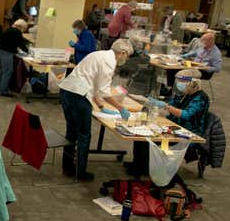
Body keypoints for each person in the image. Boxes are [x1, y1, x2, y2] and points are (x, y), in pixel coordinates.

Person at [59, 39, 134, 181]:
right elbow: (104, 92)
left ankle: (67, 167)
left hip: (66, 91)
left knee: (71, 131)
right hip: (78, 96)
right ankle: (80, 173)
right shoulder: (110, 62)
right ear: (123, 53)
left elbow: (92, 82)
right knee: (84, 135)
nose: (126, 59)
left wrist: (101, 107)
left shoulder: (98, 54)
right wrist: (120, 108)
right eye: (127, 56)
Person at [130, 69, 210, 177]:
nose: (179, 84)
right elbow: (169, 104)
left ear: (193, 83)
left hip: (187, 132)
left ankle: (145, 169)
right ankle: (138, 165)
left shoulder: (201, 98)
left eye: (183, 82)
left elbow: (185, 115)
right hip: (174, 127)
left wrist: (166, 107)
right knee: (141, 136)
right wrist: (148, 101)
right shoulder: (183, 95)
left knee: (149, 140)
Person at [0, 19, 31, 97]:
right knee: (8, 71)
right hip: (6, 52)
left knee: (3, 71)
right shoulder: (17, 32)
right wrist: (29, 52)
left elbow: (19, 41)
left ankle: (1, 89)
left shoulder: (10, 30)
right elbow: (21, 44)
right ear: (21, 27)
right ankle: (4, 91)